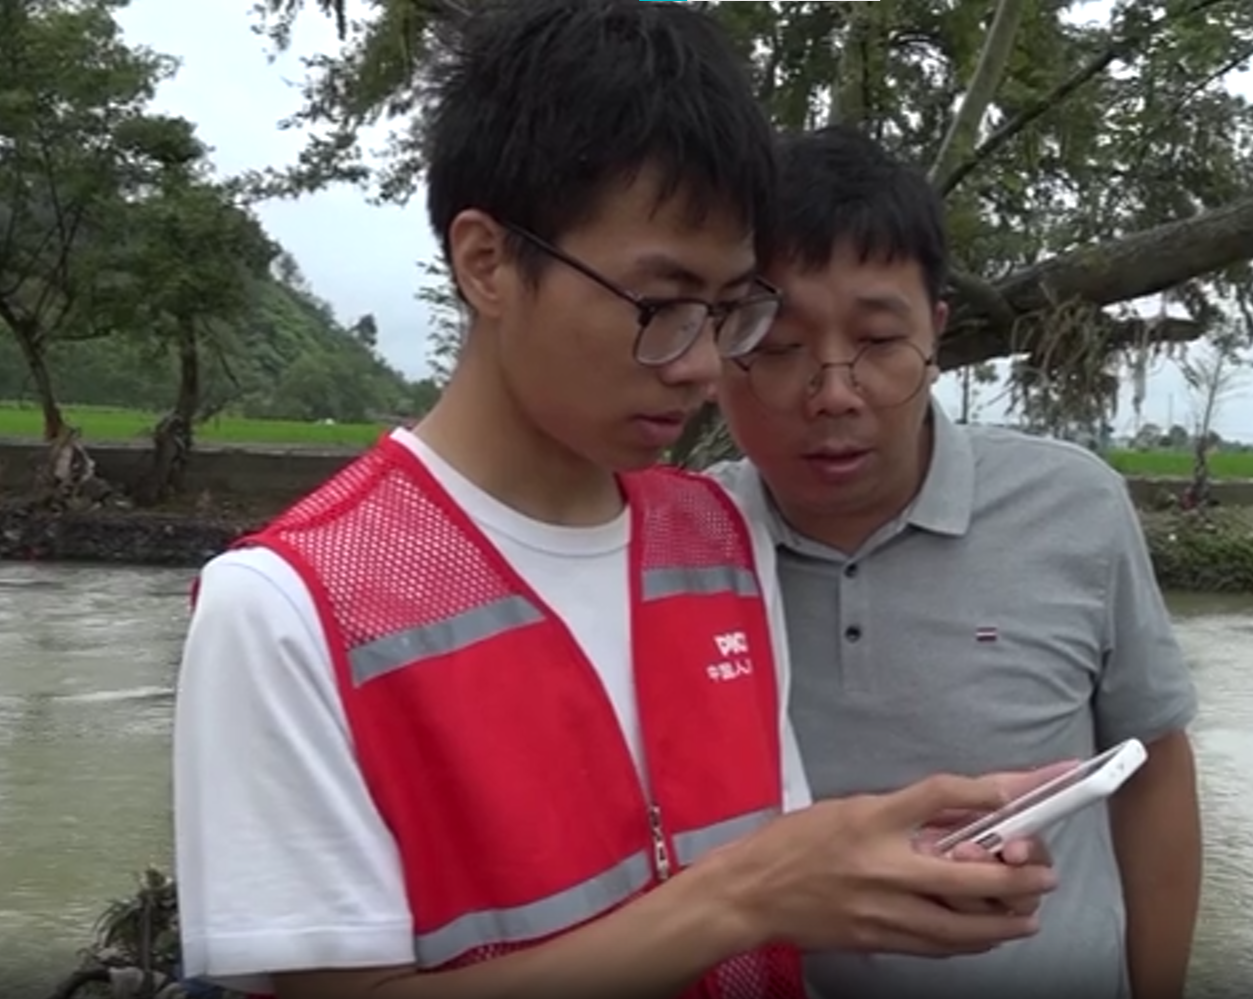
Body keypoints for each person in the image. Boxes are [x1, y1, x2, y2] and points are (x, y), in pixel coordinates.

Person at [172, 5, 1066, 999]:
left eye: (729, 312)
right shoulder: (293, 608)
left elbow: (772, 884)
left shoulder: (719, 536)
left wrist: (884, 871)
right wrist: (743, 900)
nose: (698, 366)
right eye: (660, 306)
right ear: (488, 262)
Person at [710, 125, 1204, 999]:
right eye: (778, 346)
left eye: (876, 341)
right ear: (714, 344)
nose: (832, 392)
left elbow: (1151, 768)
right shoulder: (685, 541)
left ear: (934, 336)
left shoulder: (1076, 506)